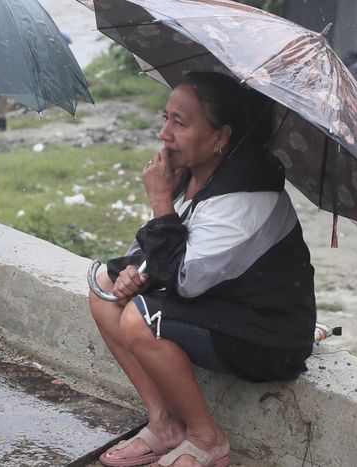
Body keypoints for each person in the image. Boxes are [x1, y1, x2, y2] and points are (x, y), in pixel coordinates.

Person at [89, 71, 315, 467]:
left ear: (220, 137)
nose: (164, 134)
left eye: (179, 123)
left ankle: (208, 441)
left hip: (269, 333)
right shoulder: (196, 176)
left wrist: (160, 201)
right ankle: (164, 425)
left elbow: (186, 281)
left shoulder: (246, 195)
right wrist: (134, 272)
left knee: (143, 319)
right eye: (165, 118)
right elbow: (156, 251)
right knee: (105, 288)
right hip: (223, 304)